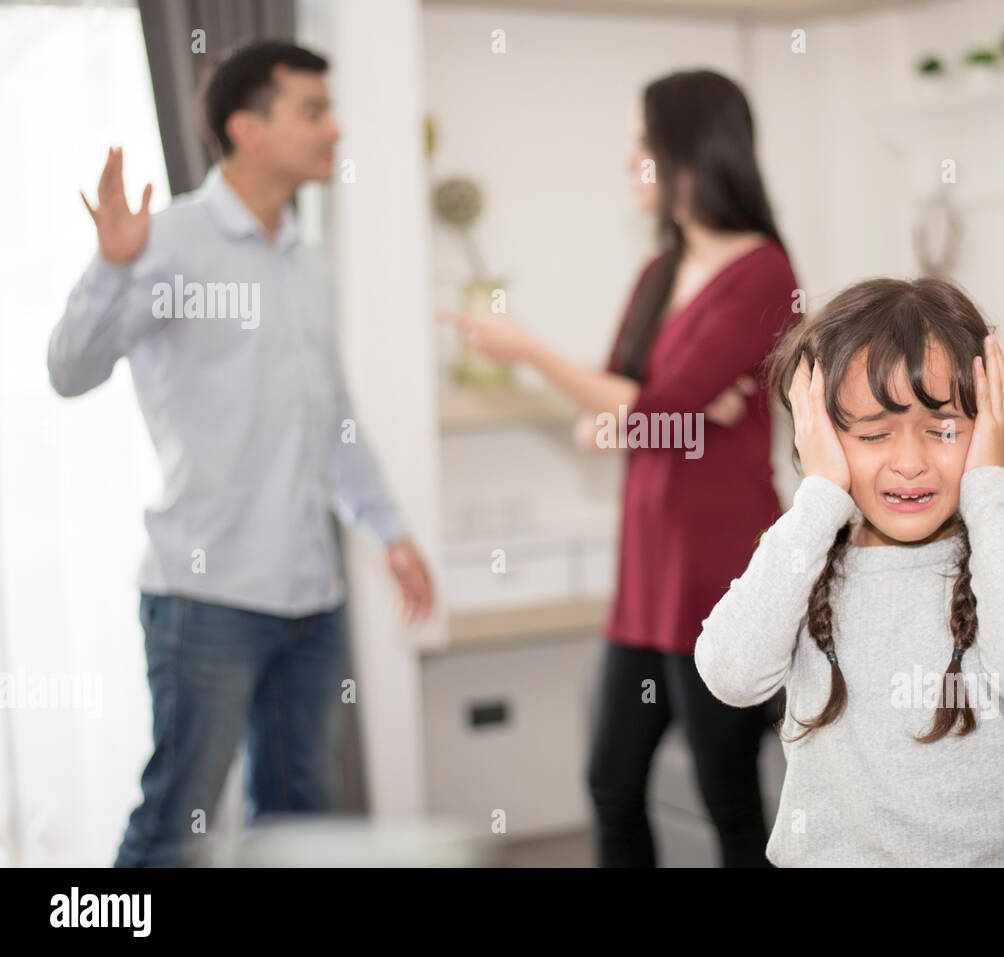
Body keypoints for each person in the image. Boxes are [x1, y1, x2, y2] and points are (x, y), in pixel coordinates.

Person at [47, 40, 435, 867]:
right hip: (205, 597)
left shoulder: (308, 258)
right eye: (313, 111)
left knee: (302, 827)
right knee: (171, 824)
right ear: (246, 129)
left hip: (311, 599)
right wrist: (111, 268)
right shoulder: (170, 240)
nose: (335, 130)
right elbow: (69, 371)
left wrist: (391, 531)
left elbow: (333, 418)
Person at [439, 70, 800, 866]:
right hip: (647, 575)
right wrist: (676, 413)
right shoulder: (656, 274)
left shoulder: (766, 271)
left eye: (643, 142)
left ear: (689, 151)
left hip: (719, 573)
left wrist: (531, 351)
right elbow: (606, 424)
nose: (631, 159)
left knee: (727, 793)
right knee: (611, 779)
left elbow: (636, 411)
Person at [695, 277, 1004, 866]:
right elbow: (732, 675)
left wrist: (987, 487)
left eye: (944, 429)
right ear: (821, 436)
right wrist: (820, 494)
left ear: (991, 430)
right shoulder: (804, 558)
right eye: (873, 433)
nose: (910, 462)